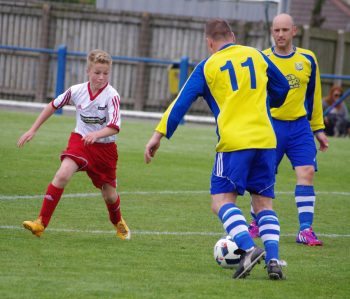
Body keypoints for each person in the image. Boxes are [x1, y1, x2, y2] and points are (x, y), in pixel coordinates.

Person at [144, 19, 289, 280]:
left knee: (220, 201)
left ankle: (248, 248)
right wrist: (267, 102)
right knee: (264, 204)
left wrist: (158, 135)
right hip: (267, 140)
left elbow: (181, 101)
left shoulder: (208, 66)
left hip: (234, 143)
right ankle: (274, 261)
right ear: (232, 36)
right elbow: (282, 88)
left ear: (209, 42)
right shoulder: (256, 55)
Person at [17, 49, 130, 240]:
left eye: (105, 73)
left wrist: (97, 134)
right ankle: (41, 223)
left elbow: (114, 127)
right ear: (88, 71)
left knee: (109, 195)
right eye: (97, 72)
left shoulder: (112, 96)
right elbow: (53, 105)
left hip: (105, 150)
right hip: (81, 142)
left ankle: (118, 221)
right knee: (62, 174)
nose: (101, 77)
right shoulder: (76, 90)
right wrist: (33, 129)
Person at [248, 13, 329, 246]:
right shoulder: (262, 59)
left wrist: (318, 129)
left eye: (285, 30)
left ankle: (305, 230)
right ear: (272, 32)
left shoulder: (307, 59)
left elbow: (314, 96)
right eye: (276, 30)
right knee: (263, 177)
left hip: (300, 127)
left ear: (294, 31)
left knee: (307, 173)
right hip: (270, 126)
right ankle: (255, 222)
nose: (280, 35)